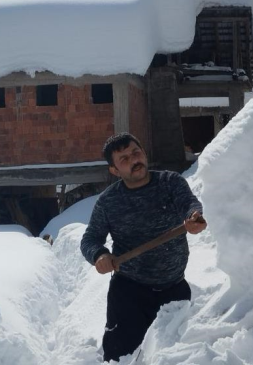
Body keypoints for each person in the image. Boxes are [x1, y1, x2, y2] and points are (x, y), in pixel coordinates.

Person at [80, 132, 207, 362]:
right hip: (129, 293)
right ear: (114, 170)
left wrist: (193, 216)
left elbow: (188, 203)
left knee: (177, 357)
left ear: (144, 153)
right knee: (120, 358)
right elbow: (90, 239)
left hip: (174, 289)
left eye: (135, 153)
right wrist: (99, 255)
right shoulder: (109, 202)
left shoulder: (170, 183)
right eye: (124, 159)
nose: (134, 160)